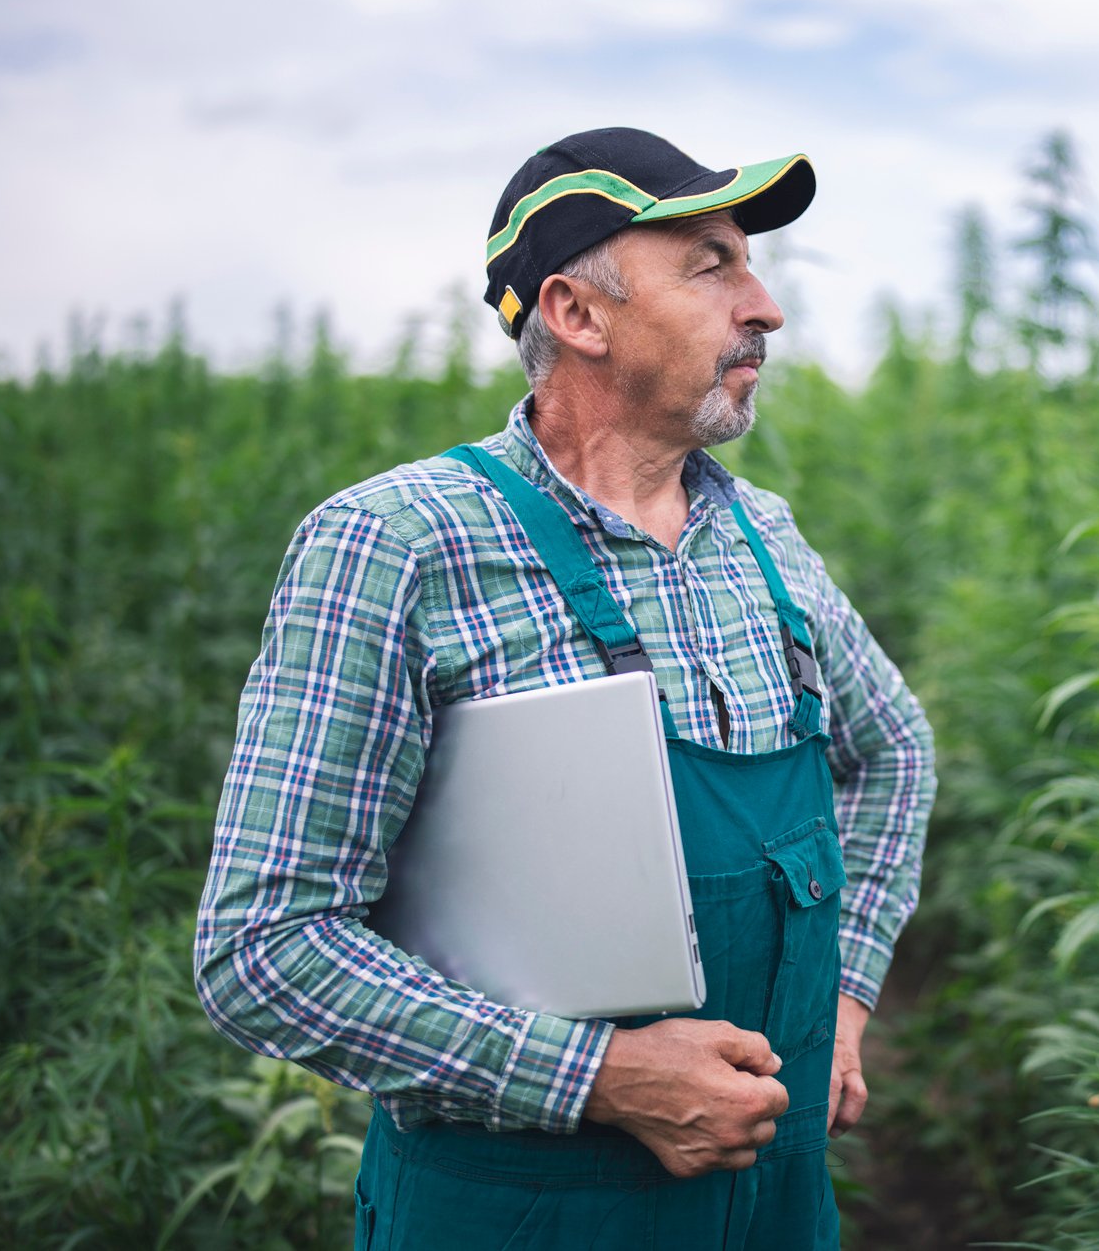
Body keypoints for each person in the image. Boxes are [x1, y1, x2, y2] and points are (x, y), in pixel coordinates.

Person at [194, 128, 937, 1249]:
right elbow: (264, 947)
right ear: (578, 315)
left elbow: (895, 753)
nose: (766, 306)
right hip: (519, 1209)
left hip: (773, 1202)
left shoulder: (761, 536)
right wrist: (600, 1075)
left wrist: (843, 993)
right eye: (711, 264)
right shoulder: (397, 545)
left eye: (750, 262)